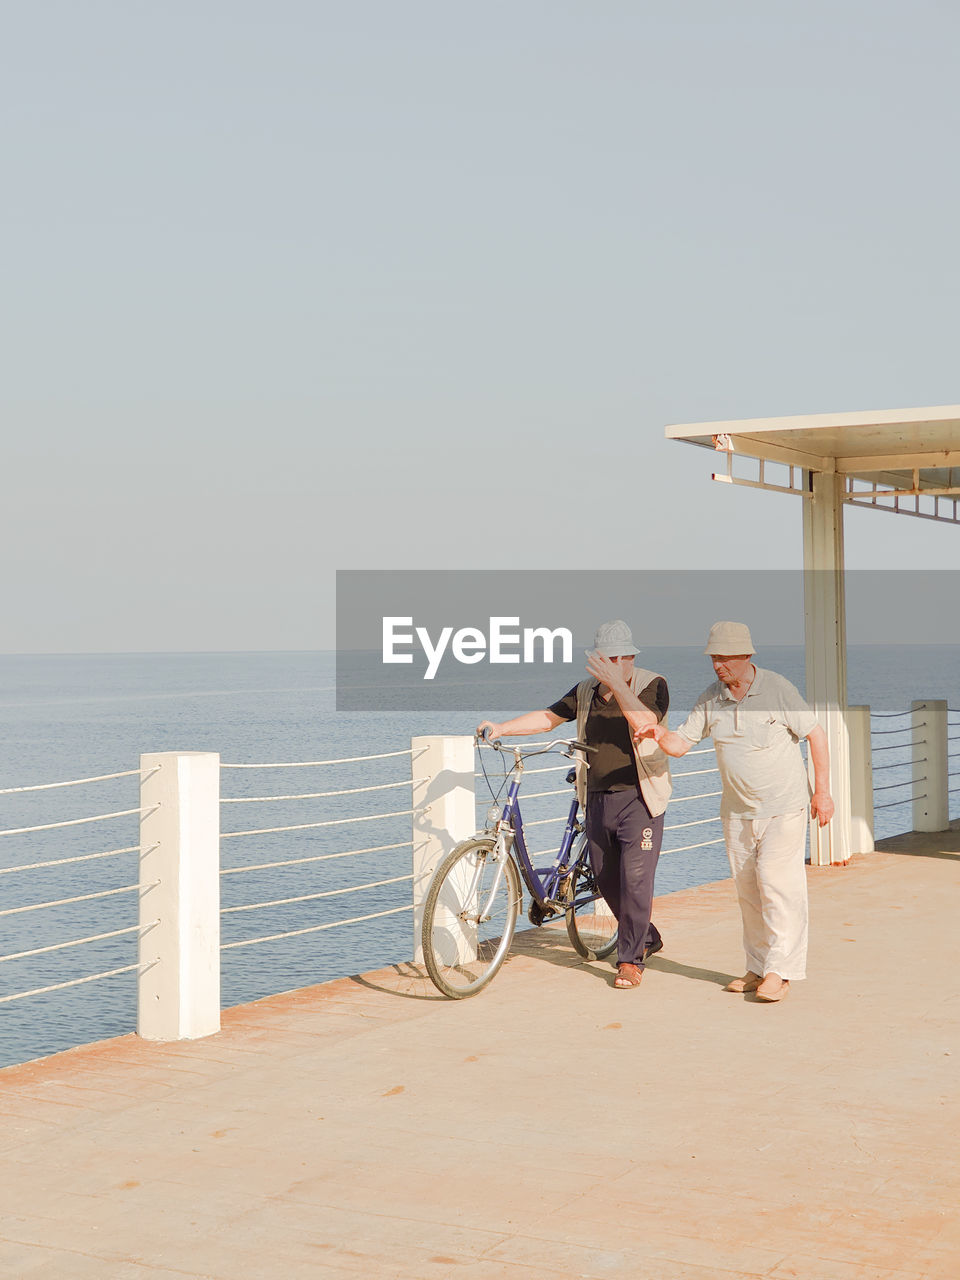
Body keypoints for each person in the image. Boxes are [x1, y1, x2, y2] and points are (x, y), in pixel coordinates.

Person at [609, 621, 833, 1003]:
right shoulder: (711, 698)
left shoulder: (778, 689)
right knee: (748, 892)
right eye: (714, 657)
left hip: (783, 808)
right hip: (737, 812)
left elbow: (815, 734)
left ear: (746, 656)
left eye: (725, 657)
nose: (718, 665)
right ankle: (758, 966)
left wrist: (823, 792)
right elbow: (680, 743)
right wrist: (658, 734)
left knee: (778, 888)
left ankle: (780, 972)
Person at [478, 619, 671, 989]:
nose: (614, 664)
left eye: (620, 658)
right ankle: (647, 937)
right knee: (604, 878)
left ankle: (629, 961)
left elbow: (644, 723)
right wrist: (502, 727)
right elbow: (549, 718)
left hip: (641, 796)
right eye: (606, 659)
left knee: (635, 880)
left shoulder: (652, 685)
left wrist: (617, 685)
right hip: (597, 794)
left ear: (631, 657)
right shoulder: (586, 691)